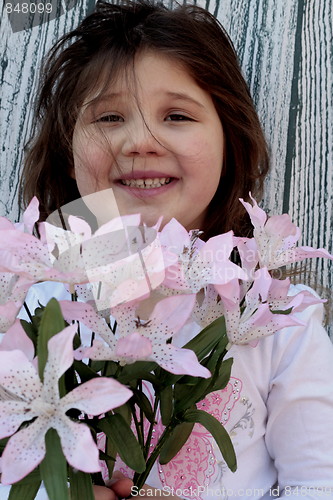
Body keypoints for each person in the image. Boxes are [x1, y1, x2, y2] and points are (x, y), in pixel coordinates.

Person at [7, 0, 333, 499]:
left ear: (231, 143)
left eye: (177, 115)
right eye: (110, 116)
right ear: (67, 155)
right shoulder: (24, 301)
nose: (140, 140)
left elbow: (318, 483)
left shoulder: (278, 320)